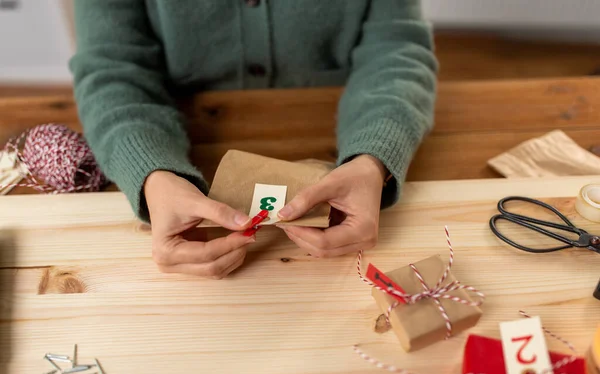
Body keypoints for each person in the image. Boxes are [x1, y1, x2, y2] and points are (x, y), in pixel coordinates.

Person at [69, 0, 438, 279]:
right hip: (183, 138)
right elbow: (111, 68)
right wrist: (150, 171)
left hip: (346, 128)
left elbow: (397, 50)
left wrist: (375, 157)